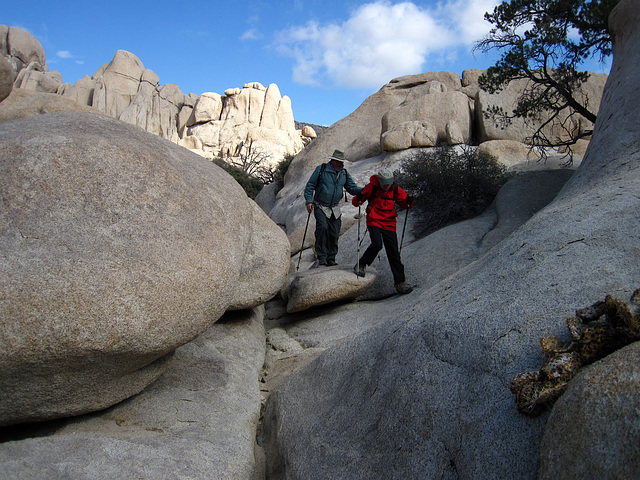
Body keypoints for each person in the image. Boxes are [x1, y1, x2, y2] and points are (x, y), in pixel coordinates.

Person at [352, 167, 414, 294]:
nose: (387, 186)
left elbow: (404, 203)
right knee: (377, 244)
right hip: (374, 220)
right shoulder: (371, 187)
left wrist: (409, 202)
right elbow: (357, 202)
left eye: (389, 183)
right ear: (379, 181)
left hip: (389, 223)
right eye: (385, 183)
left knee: (394, 254)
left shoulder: (395, 189)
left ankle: (400, 283)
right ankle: (361, 264)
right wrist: (359, 198)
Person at [304, 149, 362, 267]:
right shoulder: (321, 170)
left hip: (335, 207)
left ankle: (331, 257)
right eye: (339, 162)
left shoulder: (344, 173)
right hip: (320, 205)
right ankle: (322, 257)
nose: (341, 164)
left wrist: (364, 190)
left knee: (335, 232)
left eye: (342, 162)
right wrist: (309, 201)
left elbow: (352, 188)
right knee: (323, 228)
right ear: (333, 161)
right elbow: (310, 186)